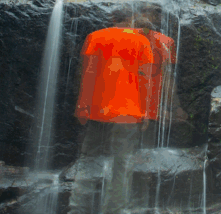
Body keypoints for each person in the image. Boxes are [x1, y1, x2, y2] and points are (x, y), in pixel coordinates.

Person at [70, 22, 175, 214]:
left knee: (88, 160)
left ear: (113, 20)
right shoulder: (141, 41)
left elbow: (87, 74)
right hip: (128, 113)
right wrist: (147, 113)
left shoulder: (96, 36)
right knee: (122, 163)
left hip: (97, 111)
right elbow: (146, 80)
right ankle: (114, 209)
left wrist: (82, 106)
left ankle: (77, 208)